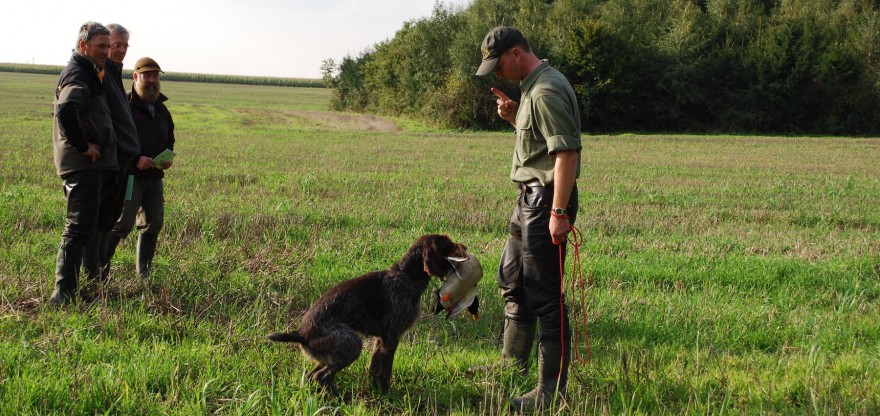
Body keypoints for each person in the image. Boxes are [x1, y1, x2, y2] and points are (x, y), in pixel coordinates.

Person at [475, 26, 582, 412]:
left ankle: (550, 393)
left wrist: (557, 212)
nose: (497, 73)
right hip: (528, 201)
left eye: (499, 64)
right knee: (514, 282)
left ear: (517, 53)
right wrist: (514, 117)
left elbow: (565, 154)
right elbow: (540, 143)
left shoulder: (547, 90)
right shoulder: (532, 90)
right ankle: (512, 365)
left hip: (545, 203)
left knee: (546, 297)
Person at [50, 22, 118, 306]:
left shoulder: (91, 73)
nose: (106, 51)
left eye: (108, 45)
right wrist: (82, 145)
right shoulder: (78, 73)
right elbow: (66, 110)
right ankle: (62, 293)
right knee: (78, 226)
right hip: (82, 165)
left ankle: (76, 288)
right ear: (83, 46)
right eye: (101, 46)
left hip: (92, 166)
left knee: (86, 226)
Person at [103, 57, 175, 281]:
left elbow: (169, 138)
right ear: (135, 77)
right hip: (130, 176)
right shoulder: (123, 105)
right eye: (147, 76)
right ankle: (99, 270)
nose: (152, 80)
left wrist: (167, 157)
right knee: (121, 224)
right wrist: (135, 160)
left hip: (154, 177)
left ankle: (143, 273)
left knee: (154, 223)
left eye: (155, 76)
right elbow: (113, 140)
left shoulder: (162, 109)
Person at [82, 23, 141, 282]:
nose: (119, 50)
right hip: (109, 160)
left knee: (109, 218)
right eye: (115, 45)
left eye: (124, 46)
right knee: (97, 220)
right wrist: (89, 145)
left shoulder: (114, 73)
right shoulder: (99, 74)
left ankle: (99, 272)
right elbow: (85, 114)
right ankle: (92, 274)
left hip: (124, 161)